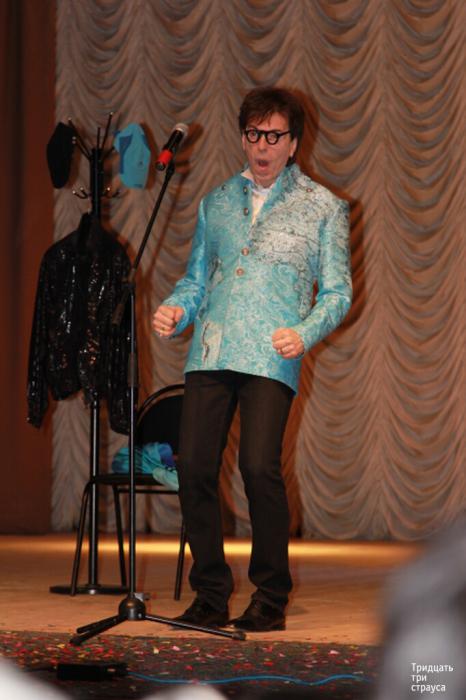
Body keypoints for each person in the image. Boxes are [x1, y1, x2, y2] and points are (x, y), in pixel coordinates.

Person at [152, 86, 352, 632]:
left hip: (271, 353)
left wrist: (304, 333)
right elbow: (197, 279)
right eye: (254, 134)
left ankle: (270, 594)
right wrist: (176, 309)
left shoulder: (323, 207)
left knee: (258, 467)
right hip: (212, 349)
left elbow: (338, 293)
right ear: (243, 138)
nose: (263, 146)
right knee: (193, 467)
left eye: (274, 136)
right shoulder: (216, 202)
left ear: (293, 143)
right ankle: (210, 593)